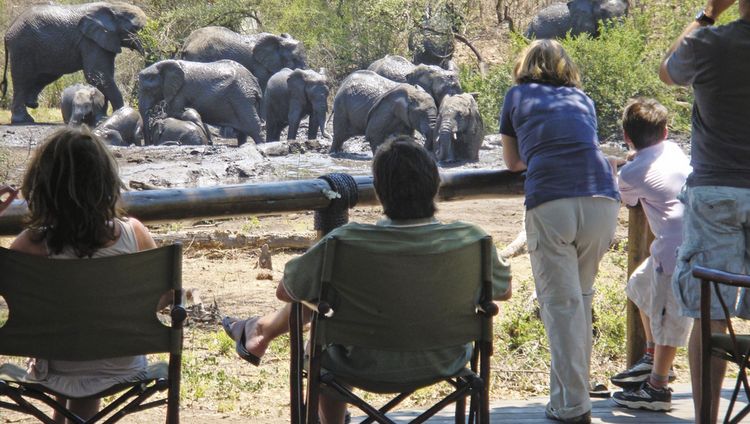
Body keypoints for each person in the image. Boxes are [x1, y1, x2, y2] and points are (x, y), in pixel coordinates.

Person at [222, 136, 512, 424]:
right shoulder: (472, 240)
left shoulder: (345, 241)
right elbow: (504, 290)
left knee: (324, 340)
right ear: (435, 186)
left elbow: (287, 291)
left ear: (378, 192)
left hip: (357, 364)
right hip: (445, 360)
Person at [499, 39, 620, 424]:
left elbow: (513, 162)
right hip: (602, 198)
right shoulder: (582, 99)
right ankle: (567, 399)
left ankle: (573, 408)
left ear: (524, 64)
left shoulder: (516, 95)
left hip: (553, 201)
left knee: (562, 307)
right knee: (578, 303)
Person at [9, 127, 160, 424]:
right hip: (121, 362)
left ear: (41, 185)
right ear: (106, 181)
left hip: (57, 363)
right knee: (87, 353)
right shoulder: (135, 233)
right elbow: (164, 296)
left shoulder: (29, 245)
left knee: (72, 356)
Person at [659, 0, 750, 421]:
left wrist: (708, 12)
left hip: (716, 190)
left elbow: (667, 71)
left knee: (709, 313)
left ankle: (706, 420)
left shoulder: (711, 43)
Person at [607, 98, 692, 411]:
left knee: (669, 317)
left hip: (675, 250)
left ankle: (657, 388)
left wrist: (615, 165)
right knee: (639, 284)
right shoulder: (672, 150)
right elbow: (648, 161)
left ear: (628, 137)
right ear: (666, 132)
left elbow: (626, 198)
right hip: (691, 239)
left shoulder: (632, 174)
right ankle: (652, 354)